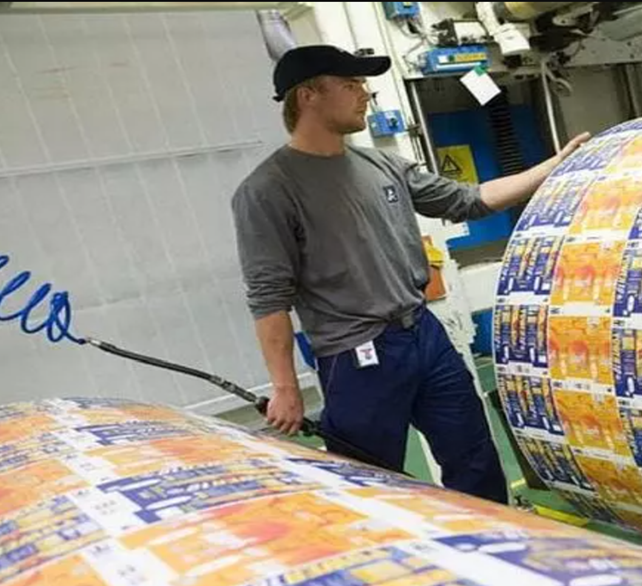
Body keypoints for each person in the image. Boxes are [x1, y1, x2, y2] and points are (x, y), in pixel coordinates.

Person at [231, 45, 588, 504]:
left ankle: (491, 551)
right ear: (308, 96)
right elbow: (268, 298)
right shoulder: (267, 191)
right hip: (356, 355)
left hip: (423, 336)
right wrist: (284, 387)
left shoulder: (381, 165)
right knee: (370, 482)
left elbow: (469, 199)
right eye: (350, 84)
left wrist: (552, 167)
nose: (365, 93)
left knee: (474, 455)